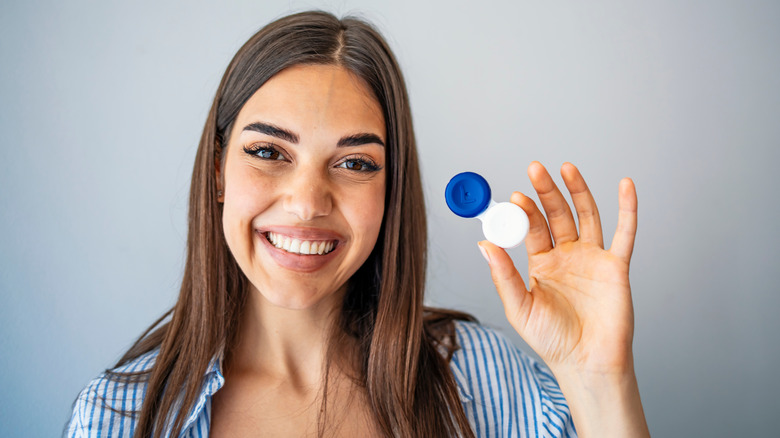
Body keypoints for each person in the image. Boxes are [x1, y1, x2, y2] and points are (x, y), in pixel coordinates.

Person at [66, 10, 650, 438]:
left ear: (390, 188)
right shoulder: (116, 417)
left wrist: (598, 377)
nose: (306, 203)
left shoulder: (484, 378)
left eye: (354, 163)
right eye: (269, 152)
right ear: (218, 171)